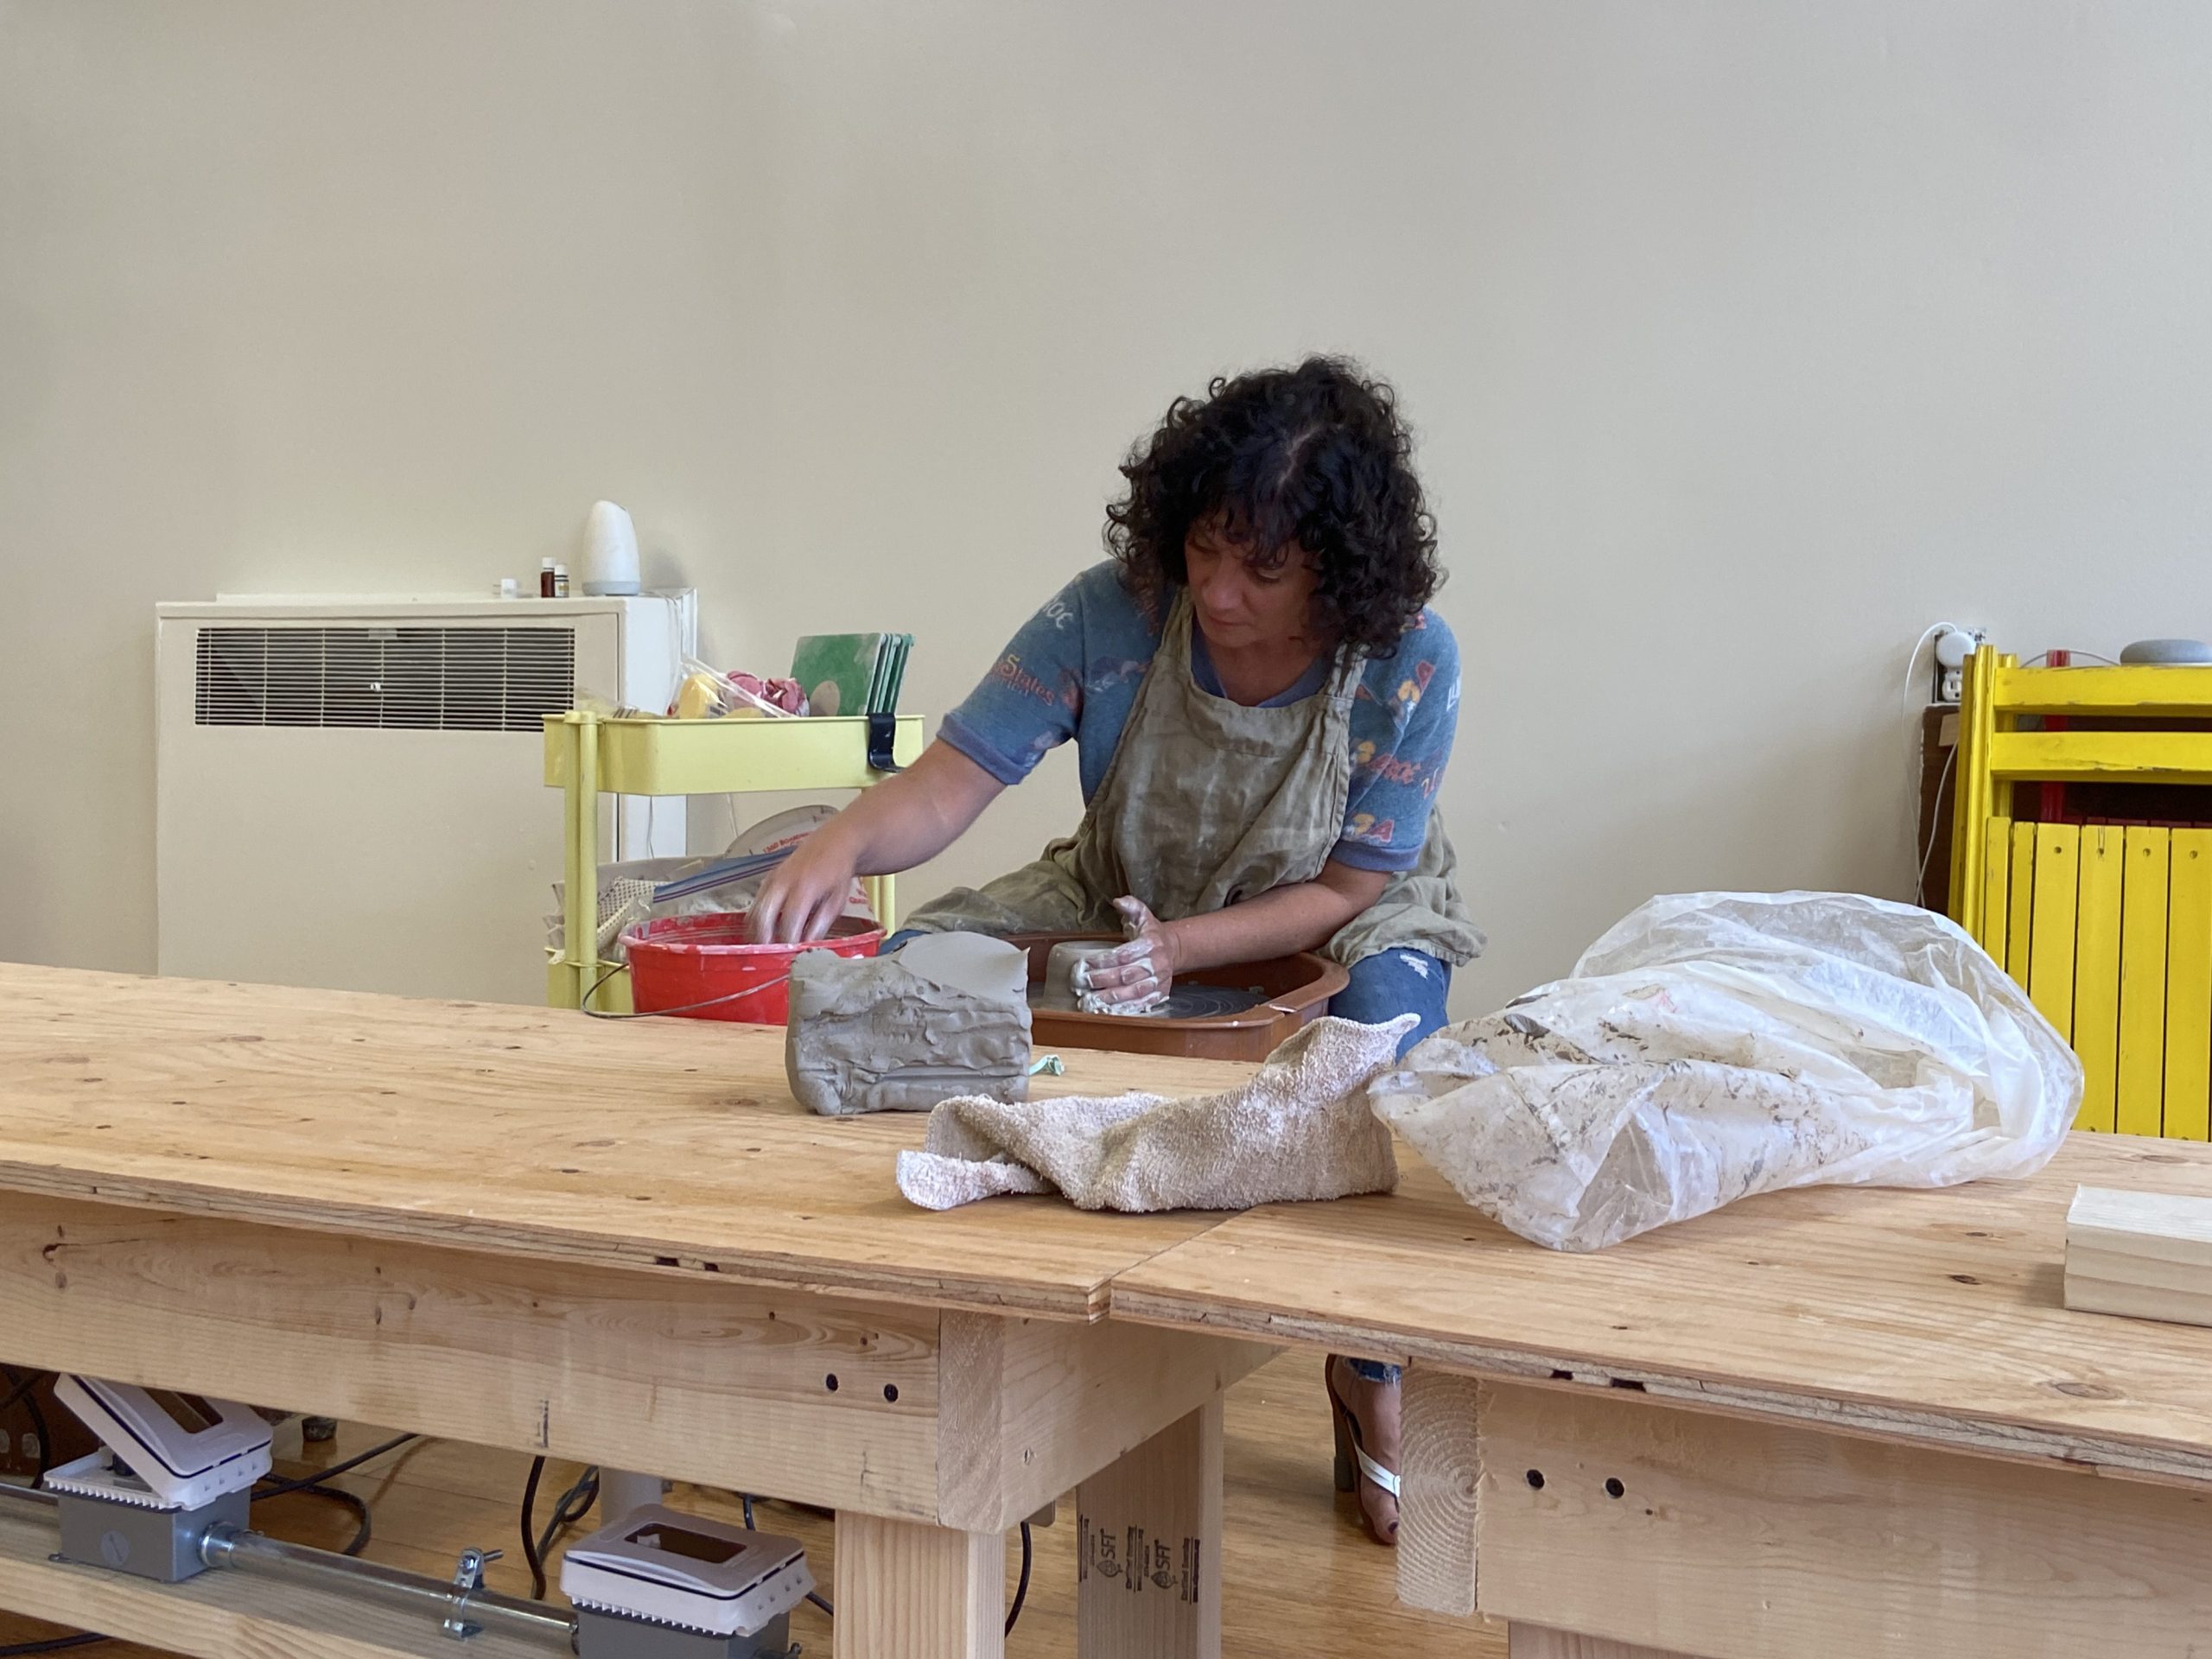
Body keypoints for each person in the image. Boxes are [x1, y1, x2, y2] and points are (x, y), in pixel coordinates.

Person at [751, 355, 1482, 1542]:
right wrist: (840, 848)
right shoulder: (1115, 608)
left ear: (1342, 574)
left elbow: (1354, 878)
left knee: (1384, 1058)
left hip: (1343, 912)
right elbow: (952, 783)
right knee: (912, 981)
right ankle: (897, 1353)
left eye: (1264, 568)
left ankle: (1371, 1367)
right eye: (1206, 548)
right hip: (1122, 887)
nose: (1222, 590)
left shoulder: (1409, 657)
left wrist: (1186, 949)